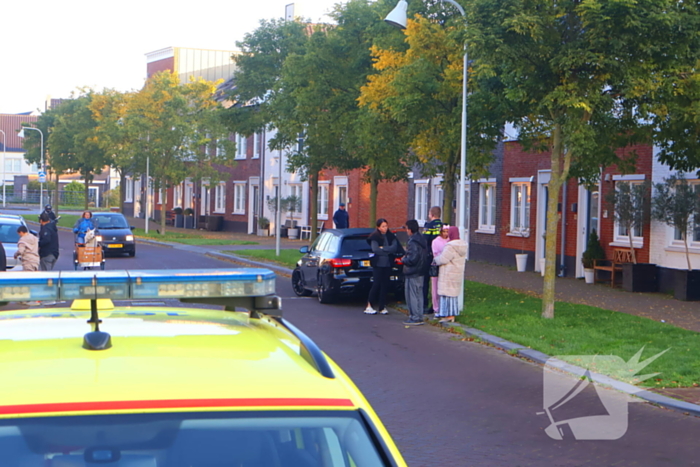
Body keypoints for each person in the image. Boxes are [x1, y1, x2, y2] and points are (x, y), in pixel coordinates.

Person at [364, 218, 400, 315]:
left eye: (386, 226)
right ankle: (369, 305)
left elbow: (394, 248)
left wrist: (383, 249)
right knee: (376, 284)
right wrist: (387, 251)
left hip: (388, 264)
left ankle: (382, 306)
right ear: (378, 227)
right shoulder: (374, 237)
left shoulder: (391, 236)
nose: (385, 228)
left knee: (385, 285)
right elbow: (375, 249)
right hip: (378, 264)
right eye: (383, 226)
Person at [433, 226, 468, 322]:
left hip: (448, 273)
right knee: (452, 295)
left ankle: (447, 315)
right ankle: (452, 314)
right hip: (457, 273)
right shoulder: (462, 245)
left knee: (446, 295)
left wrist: (436, 259)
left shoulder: (450, 246)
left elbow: (443, 259)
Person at [401, 219, 428, 326]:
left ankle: (415, 317)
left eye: (407, 228)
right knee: (419, 294)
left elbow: (413, 258)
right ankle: (419, 316)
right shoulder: (421, 239)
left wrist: (403, 260)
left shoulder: (412, 242)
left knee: (411, 294)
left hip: (413, 271)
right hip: (421, 271)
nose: (406, 231)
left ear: (410, 229)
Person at [422, 206, 443, 314]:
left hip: (430, 256)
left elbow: (424, 241)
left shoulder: (429, 226)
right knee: (440, 281)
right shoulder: (443, 226)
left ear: (432, 214)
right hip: (442, 256)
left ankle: (425, 304)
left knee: (426, 280)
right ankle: (438, 304)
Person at [430, 224, 450, 318]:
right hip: (438, 266)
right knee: (435, 287)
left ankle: (444, 308)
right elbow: (436, 254)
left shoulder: (450, 241)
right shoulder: (436, 241)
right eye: (444, 231)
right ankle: (436, 308)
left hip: (447, 267)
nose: (446, 234)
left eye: (447, 232)